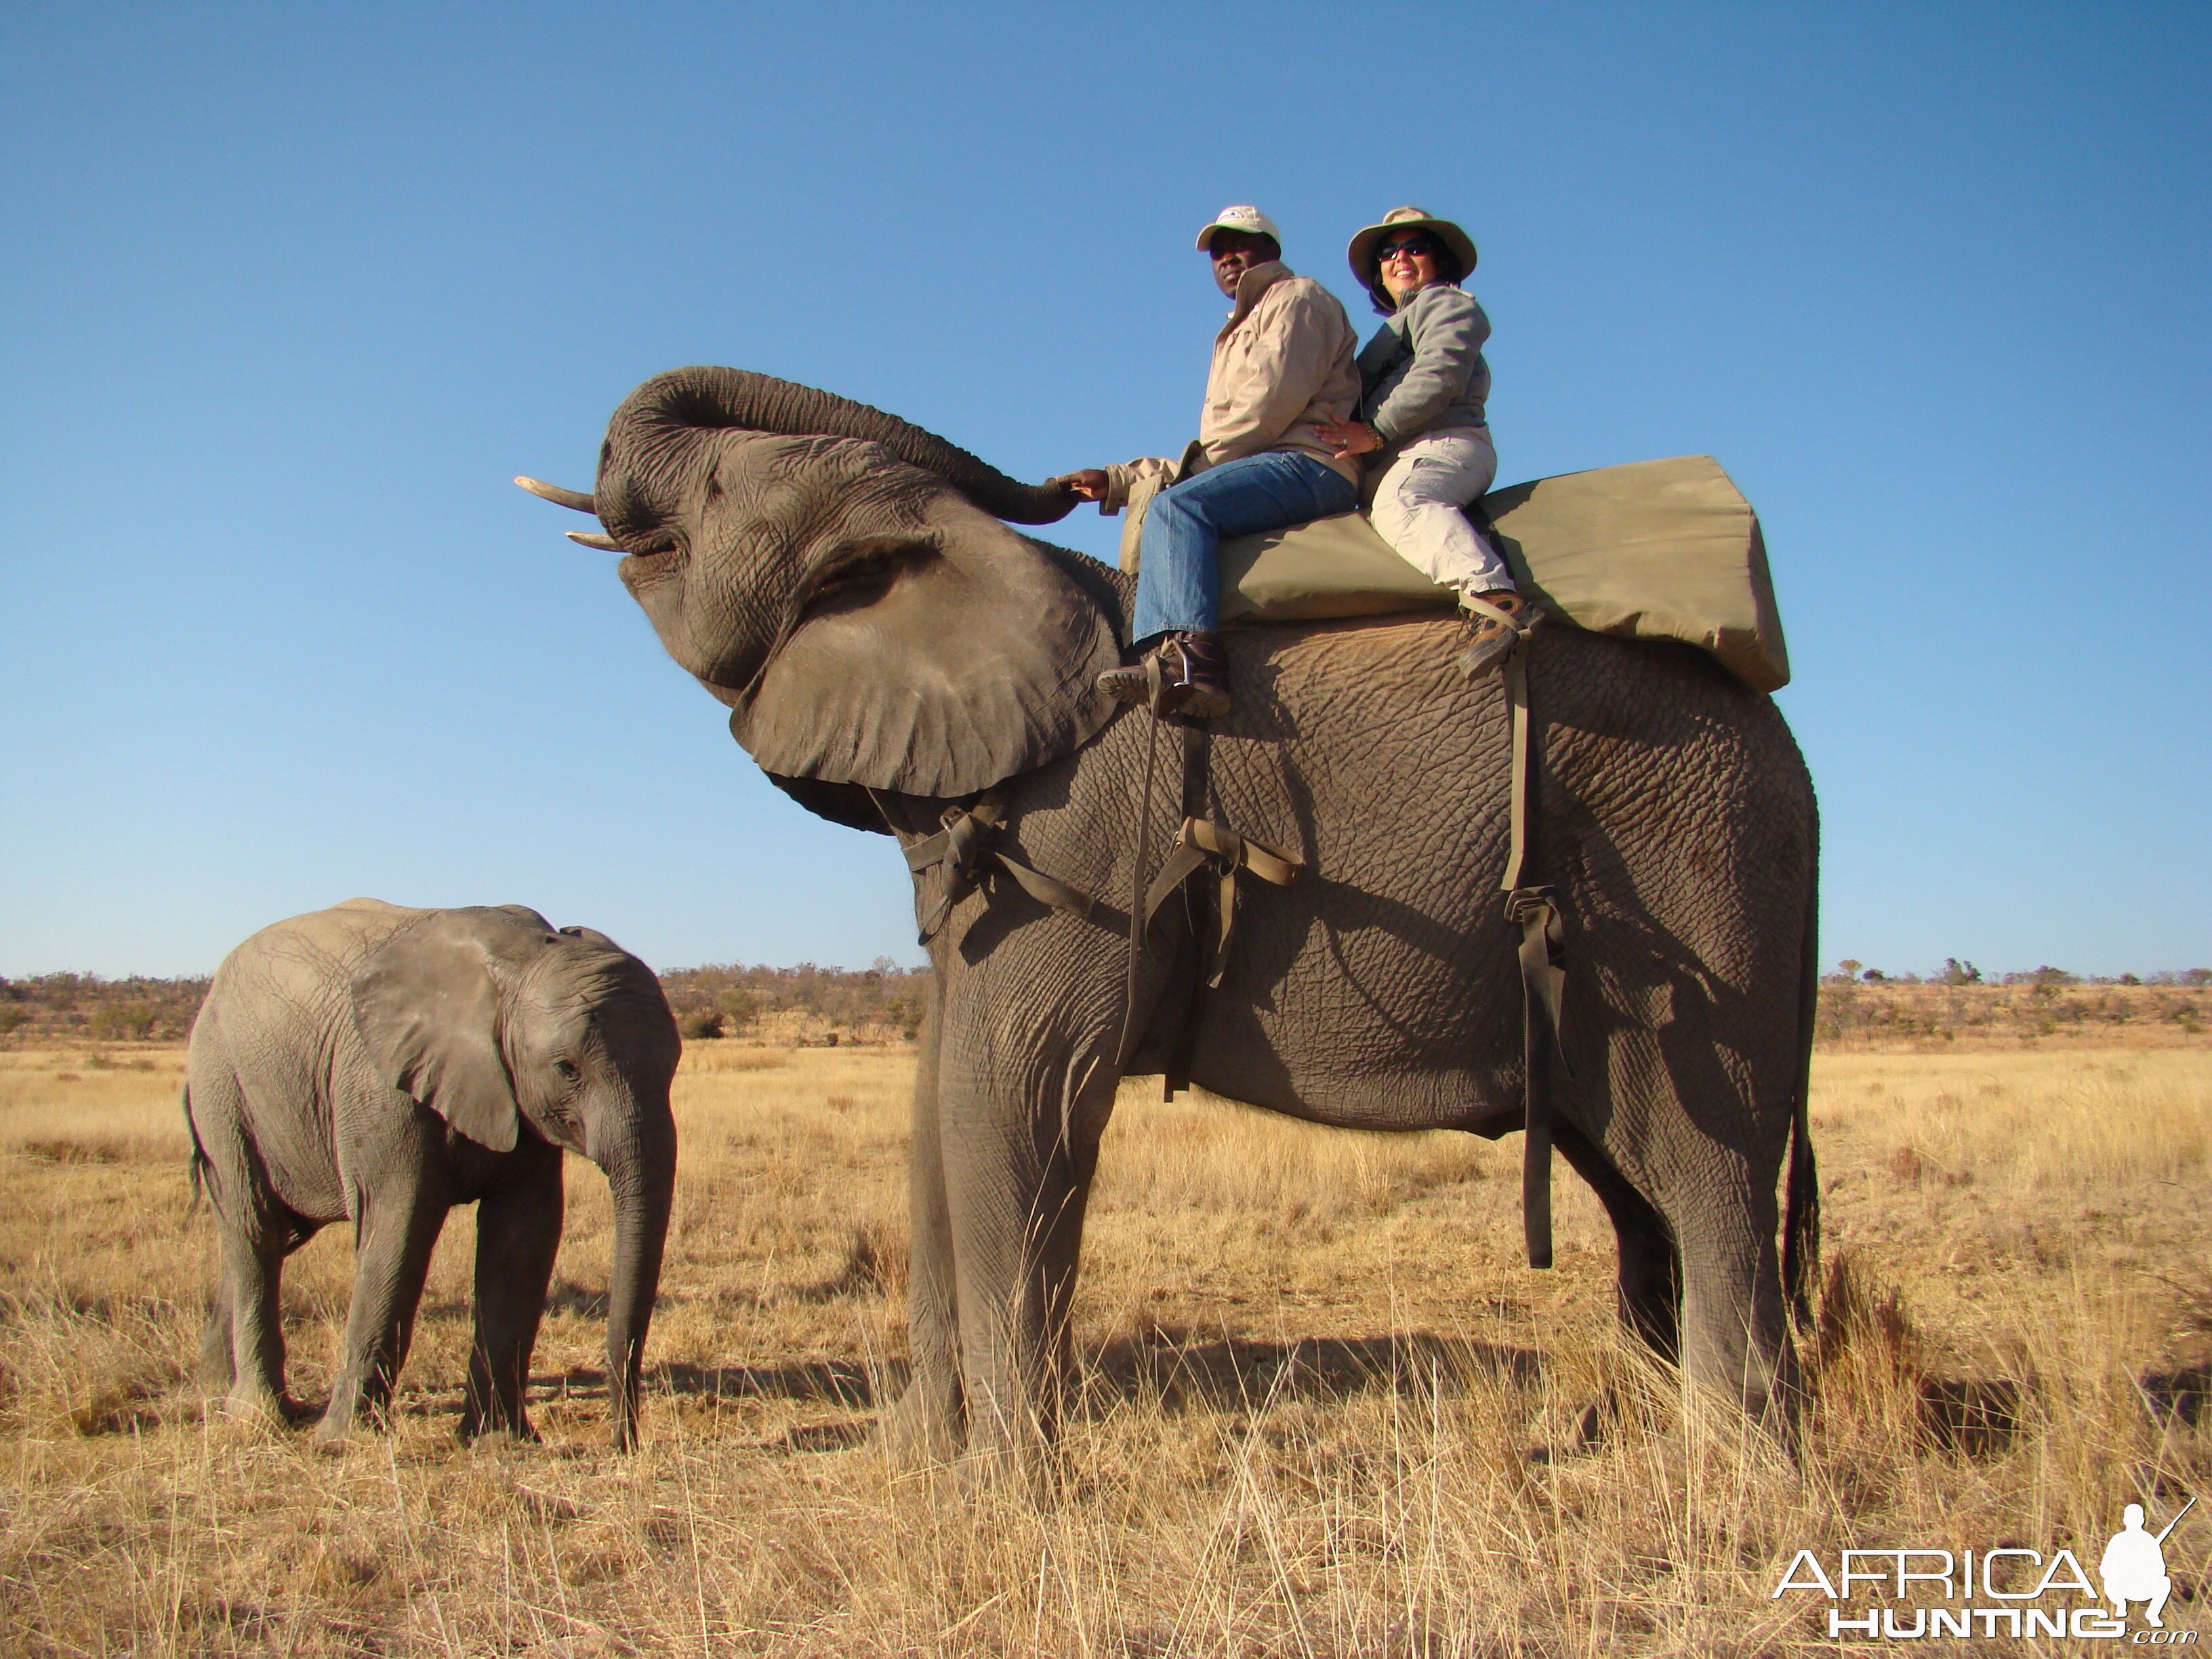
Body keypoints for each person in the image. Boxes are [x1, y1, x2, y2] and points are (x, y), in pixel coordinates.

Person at [1052, 206, 1361, 719]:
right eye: (1216, 251)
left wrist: (1177, 482)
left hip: (1310, 463)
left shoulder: (1297, 299)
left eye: (1239, 242)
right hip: (1267, 460)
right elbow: (1222, 442)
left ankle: (1195, 660)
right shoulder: (1238, 325)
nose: (1226, 257)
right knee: (1178, 499)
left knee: (1177, 510)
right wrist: (1117, 480)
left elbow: (1263, 411)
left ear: (1271, 249)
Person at [1313, 205, 1539, 680]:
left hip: (1445, 443)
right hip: (1396, 458)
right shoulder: (1390, 330)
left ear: (1439, 261)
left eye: (1415, 247)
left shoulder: (1447, 304)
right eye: (1389, 252)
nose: (1400, 258)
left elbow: (1441, 373)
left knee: (1403, 504)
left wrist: (1374, 432)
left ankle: (1494, 597)